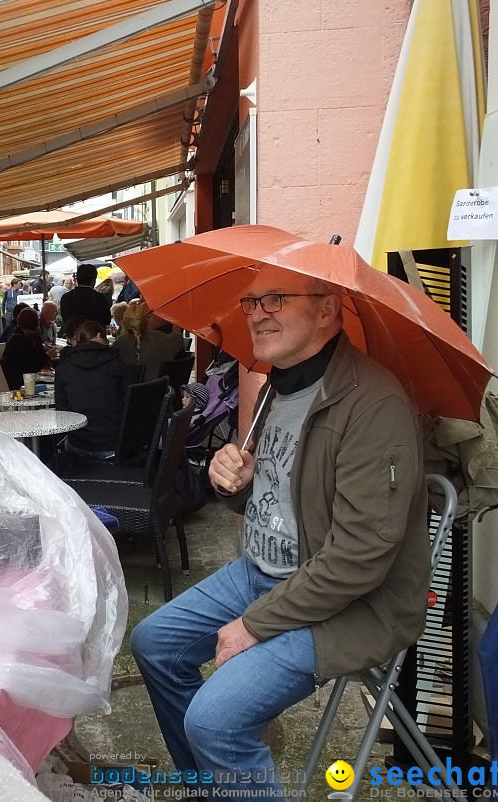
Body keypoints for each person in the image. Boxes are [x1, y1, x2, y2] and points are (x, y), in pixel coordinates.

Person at [130, 267, 429, 799]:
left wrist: (255, 623)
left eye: (276, 298)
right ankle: (214, 787)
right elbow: (285, 502)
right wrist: (236, 485)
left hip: (348, 603)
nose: (257, 313)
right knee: (154, 643)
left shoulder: (373, 405)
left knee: (215, 720)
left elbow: (360, 557)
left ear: (326, 309)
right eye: (250, 302)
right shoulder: (279, 387)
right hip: (264, 573)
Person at [54, 320, 132, 459]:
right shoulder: (116, 361)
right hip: (113, 445)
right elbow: (129, 401)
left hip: (77, 444)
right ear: (99, 336)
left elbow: (61, 411)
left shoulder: (64, 367)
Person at [112, 300, 185, 382]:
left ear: (124, 323)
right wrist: (176, 330)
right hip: (161, 389)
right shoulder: (162, 338)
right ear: (145, 320)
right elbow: (178, 341)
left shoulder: (118, 345)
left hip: (131, 392)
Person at [0, 308, 51, 390]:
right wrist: (47, 355)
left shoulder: (18, 335)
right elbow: (32, 367)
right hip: (19, 383)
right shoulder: (19, 340)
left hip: (16, 379)